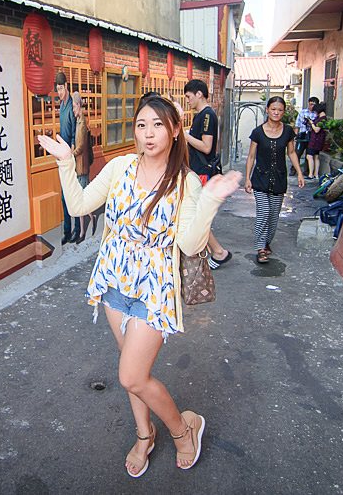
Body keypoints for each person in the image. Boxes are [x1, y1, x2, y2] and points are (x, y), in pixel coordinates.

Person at [37, 95, 242, 476]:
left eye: (158, 125)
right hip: (114, 280)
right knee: (134, 371)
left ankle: (183, 429)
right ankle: (144, 435)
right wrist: (67, 163)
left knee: (131, 375)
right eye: (142, 125)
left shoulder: (183, 183)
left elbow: (190, 245)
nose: (148, 133)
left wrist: (210, 200)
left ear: (176, 129)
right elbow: (80, 205)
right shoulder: (120, 168)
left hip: (155, 290)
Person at [244, 97, 305, 264]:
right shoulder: (257, 132)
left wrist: (299, 173)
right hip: (260, 178)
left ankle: (267, 242)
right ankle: (260, 248)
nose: (276, 112)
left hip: (278, 178)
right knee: (264, 212)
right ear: (267, 110)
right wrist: (247, 178)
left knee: (273, 215)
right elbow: (251, 157)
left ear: (283, 112)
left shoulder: (287, 132)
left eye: (280, 110)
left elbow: (291, 153)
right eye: (273, 109)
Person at [182, 79, 232, 270]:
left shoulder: (207, 116)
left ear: (199, 94)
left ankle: (218, 252)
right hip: (197, 171)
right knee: (197, 214)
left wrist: (184, 134)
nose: (187, 100)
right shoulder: (201, 115)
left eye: (188, 96)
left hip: (203, 172)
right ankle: (214, 251)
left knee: (198, 215)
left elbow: (206, 146)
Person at [71, 91, 99, 241]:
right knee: (80, 198)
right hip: (79, 166)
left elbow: (81, 147)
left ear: (78, 106)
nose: (73, 110)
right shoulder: (79, 121)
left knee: (80, 199)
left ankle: (83, 230)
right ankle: (87, 222)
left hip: (81, 167)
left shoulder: (82, 124)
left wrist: (71, 154)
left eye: (74, 107)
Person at [55, 72, 80, 244]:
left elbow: (74, 134)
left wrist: (71, 149)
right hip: (62, 156)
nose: (59, 92)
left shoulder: (71, 105)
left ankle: (77, 230)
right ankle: (67, 231)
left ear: (67, 87)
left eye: (61, 89)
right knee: (64, 196)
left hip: (71, 155)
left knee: (73, 195)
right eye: (57, 89)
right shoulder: (61, 106)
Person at [295, 96, 319, 177]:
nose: (311, 106)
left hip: (312, 136)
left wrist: (310, 122)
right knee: (297, 153)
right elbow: (297, 124)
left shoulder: (317, 114)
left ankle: (306, 171)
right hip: (302, 134)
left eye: (313, 105)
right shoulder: (302, 112)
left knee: (308, 155)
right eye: (310, 104)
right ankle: (294, 169)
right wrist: (296, 135)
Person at [306, 103, 328, 181]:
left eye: (315, 111)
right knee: (316, 156)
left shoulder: (322, 119)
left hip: (315, 140)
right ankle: (316, 174)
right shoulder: (322, 117)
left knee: (309, 156)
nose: (314, 113)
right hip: (319, 140)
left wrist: (311, 122)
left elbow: (316, 129)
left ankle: (311, 174)